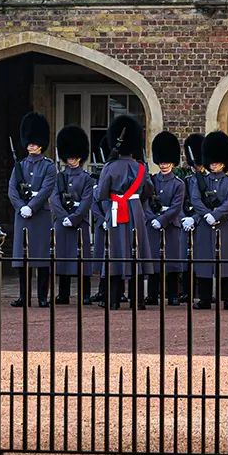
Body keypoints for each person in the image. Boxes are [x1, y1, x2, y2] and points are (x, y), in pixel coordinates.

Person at [95, 114, 155, 310]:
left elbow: (102, 193)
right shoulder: (140, 168)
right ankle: (137, 300)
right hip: (135, 210)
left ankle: (113, 300)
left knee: (116, 251)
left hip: (115, 210)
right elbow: (148, 190)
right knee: (136, 251)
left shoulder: (110, 167)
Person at [9, 112, 56, 308]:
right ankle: (23, 296)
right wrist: (22, 207)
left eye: (34, 142)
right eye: (29, 142)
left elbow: (47, 189)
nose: (31, 145)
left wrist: (32, 206)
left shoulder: (49, 166)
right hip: (23, 216)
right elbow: (12, 190)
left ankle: (42, 297)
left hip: (40, 215)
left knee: (42, 258)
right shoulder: (19, 166)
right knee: (22, 258)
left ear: (41, 143)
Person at [191, 131, 228, 310]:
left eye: (217, 161)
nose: (214, 164)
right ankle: (204, 298)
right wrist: (206, 215)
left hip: (224, 225)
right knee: (204, 261)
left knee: (225, 261)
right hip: (205, 224)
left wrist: (216, 215)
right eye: (212, 161)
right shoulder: (201, 181)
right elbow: (195, 200)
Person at [50, 124, 94, 305]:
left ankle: (85, 294)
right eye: (69, 155)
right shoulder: (59, 176)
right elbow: (54, 198)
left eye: (75, 155)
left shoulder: (86, 178)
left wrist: (74, 218)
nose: (72, 159)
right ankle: (63, 293)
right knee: (62, 258)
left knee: (82, 260)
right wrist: (63, 218)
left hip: (79, 222)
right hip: (62, 222)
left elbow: (86, 201)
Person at [145, 131, 185, 306]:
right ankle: (153, 294)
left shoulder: (178, 183)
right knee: (153, 261)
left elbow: (177, 207)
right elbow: (145, 203)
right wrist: (152, 218)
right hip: (153, 225)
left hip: (171, 225)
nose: (164, 165)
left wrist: (161, 219)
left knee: (172, 262)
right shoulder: (152, 181)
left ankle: (173, 295)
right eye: (161, 162)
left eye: (167, 162)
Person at [179, 133, 204, 301]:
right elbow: (179, 201)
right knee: (186, 258)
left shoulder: (207, 180)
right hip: (185, 222)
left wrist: (195, 218)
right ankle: (187, 291)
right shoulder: (186, 180)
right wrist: (184, 218)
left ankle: (202, 292)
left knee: (202, 259)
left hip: (200, 222)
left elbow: (207, 204)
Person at [90, 136, 111, 304]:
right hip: (103, 224)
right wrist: (102, 219)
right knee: (104, 258)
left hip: (117, 221)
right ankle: (102, 291)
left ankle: (114, 291)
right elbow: (94, 203)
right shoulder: (99, 181)